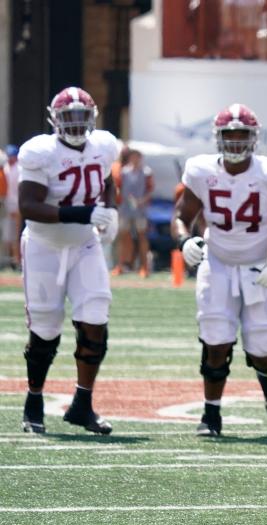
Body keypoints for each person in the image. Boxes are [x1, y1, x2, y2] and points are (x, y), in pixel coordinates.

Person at [173, 104, 267, 437]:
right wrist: (184, 240)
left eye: (240, 135)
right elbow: (181, 216)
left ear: (253, 138)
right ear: (218, 138)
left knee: (263, 348)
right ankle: (211, 414)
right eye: (228, 135)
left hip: (259, 265)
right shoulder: (201, 171)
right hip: (216, 264)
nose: (234, 142)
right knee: (215, 341)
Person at [18, 87, 120, 435]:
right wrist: (86, 212)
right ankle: (34, 401)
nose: (76, 124)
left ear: (92, 118)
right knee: (45, 330)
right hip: (44, 246)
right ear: (54, 120)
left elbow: (105, 181)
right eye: (68, 117)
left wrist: (110, 209)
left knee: (95, 320)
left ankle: (82, 404)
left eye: (81, 117)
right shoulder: (40, 152)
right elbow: (29, 205)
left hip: (84, 245)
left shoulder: (104, 146)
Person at [115, 149, 154, 277]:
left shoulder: (146, 172)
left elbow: (150, 190)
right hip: (125, 208)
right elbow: (119, 188)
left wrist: (142, 201)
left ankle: (144, 267)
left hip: (140, 209)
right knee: (122, 237)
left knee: (142, 237)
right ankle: (120, 265)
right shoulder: (124, 171)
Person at [2, 145, 20, 269]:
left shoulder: (20, 168)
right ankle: (11, 260)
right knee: (8, 235)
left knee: (16, 234)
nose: (10, 158)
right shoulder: (6, 168)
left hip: (18, 205)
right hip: (6, 204)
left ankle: (17, 261)